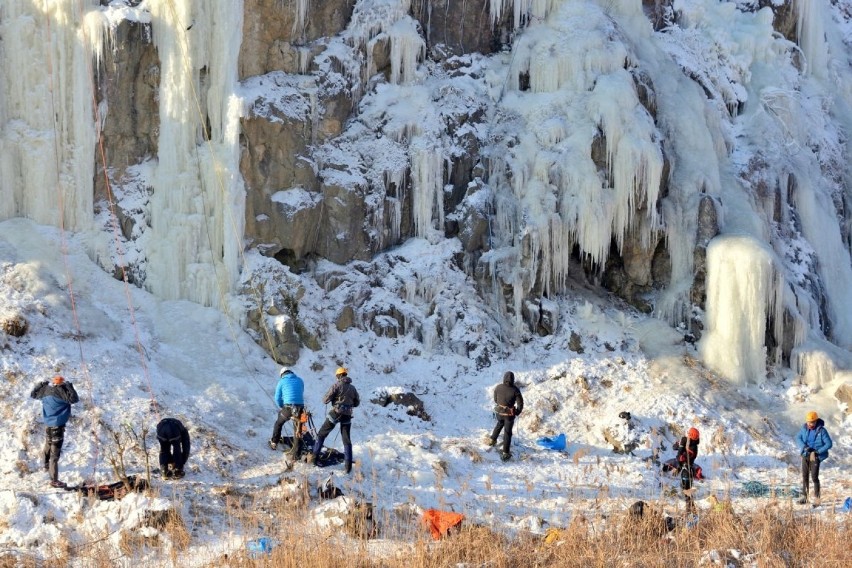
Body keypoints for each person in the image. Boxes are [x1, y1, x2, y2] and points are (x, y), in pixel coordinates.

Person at [31, 375, 79, 488]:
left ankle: (46, 465)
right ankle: (54, 480)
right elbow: (74, 399)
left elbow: (33, 394)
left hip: (48, 424)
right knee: (55, 454)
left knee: (48, 445)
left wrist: (41, 385)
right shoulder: (63, 393)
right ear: (62, 383)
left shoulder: (45, 391)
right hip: (58, 427)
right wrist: (69, 386)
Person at [309, 367, 360, 473]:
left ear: (339, 376)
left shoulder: (336, 385)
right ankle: (348, 466)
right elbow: (357, 403)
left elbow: (325, 400)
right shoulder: (353, 388)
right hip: (347, 415)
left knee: (322, 434)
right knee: (346, 439)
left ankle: (314, 459)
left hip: (336, 413)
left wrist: (334, 399)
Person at [795, 410, 832, 505]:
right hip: (805, 455)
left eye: (812, 422)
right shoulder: (804, 429)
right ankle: (804, 497)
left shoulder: (822, 431)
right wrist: (804, 447)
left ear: (816, 421)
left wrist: (817, 452)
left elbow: (829, 444)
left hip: (815, 456)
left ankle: (817, 499)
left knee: (814, 477)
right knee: (805, 476)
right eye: (808, 422)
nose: (810, 424)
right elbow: (798, 438)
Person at [487, 371, 524, 462]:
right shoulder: (515, 390)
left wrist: (501, 405)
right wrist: (517, 412)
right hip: (509, 415)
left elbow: (495, 400)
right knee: (507, 433)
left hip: (499, 412)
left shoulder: (498, 387)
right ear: (513, 379)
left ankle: (492, 440)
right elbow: (520, 403)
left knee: (499, 424)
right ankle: (505, 453)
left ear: (504, 378)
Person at [268, 366, 305, 454]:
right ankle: (296, 450)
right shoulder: (300, 380)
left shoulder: (282, 381)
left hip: (288, 408)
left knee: (278, 423)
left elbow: (277, 397)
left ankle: (274, 442)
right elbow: (301, 391)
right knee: (298, 427)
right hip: (300, 407)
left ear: (282, 374)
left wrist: (282, 406)